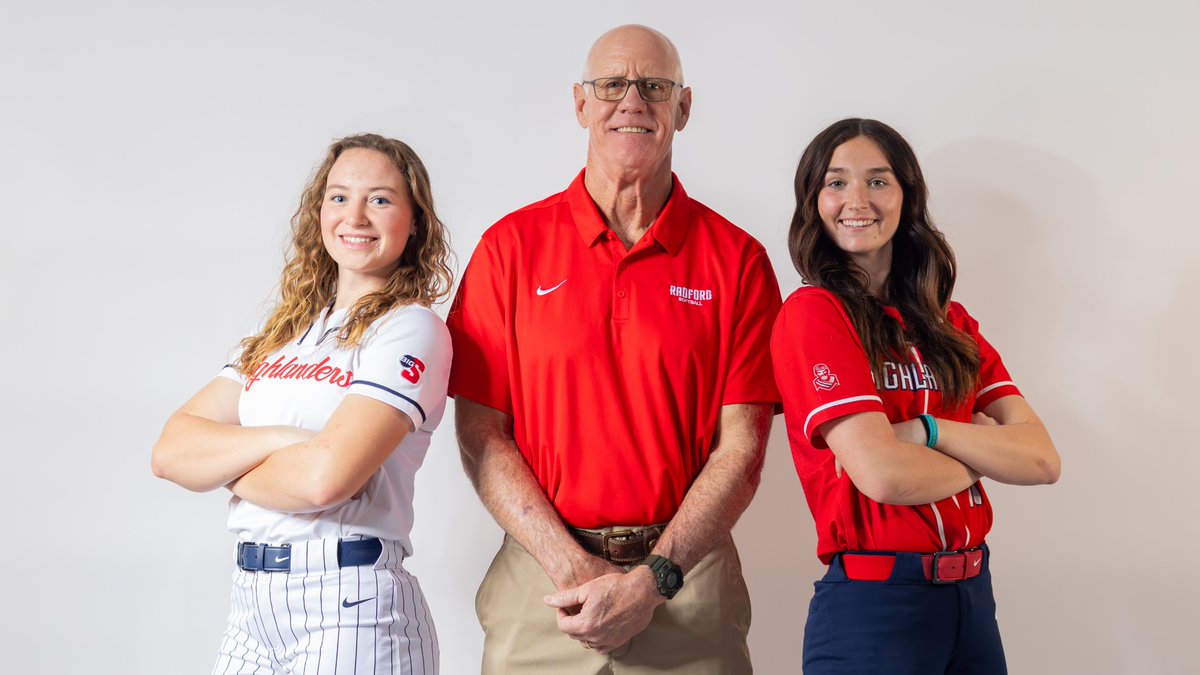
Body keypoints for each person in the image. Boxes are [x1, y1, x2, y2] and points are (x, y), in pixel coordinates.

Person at [447, 24, 781, 675]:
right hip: (541, 580)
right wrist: (569, 564)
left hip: (687, 579)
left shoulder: (738, 260)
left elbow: (741, 449)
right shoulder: (508, 250)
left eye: (654, 86)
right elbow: (480, 433)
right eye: (611, 86)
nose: (632, 101)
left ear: (683, 107)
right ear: (581, 104)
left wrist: (653, 580)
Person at [152, 133, 453, 675]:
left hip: (351, 605)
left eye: (379, 199)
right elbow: (171, 453)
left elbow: (323, 482)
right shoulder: (281, 333)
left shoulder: (410, 329)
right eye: (339, 197)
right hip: (251, 607)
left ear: (414, 222)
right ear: (320, 211)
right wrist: (283, 442)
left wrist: (222, 466)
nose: (355, 216)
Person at [771, 118, 1061, 674]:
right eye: (836, 182)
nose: (857, 200)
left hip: (973, 598)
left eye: (878, 181)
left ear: (907, 197)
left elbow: (1043, 460)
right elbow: (884, 476)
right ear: (813, 202)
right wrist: (985, 453)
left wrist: (932, 432)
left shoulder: (952, 324)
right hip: (877, 606)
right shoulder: (814, 315)